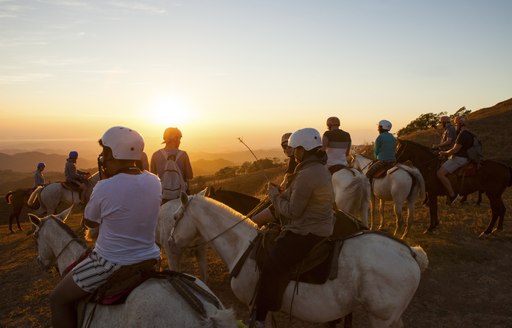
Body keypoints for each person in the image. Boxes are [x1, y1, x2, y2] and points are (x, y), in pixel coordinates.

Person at [50, 126, 161, 328]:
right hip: (150, 256)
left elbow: (91, 222)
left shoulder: (104, 186)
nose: (102, 157)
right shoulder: (155, 181)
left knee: (57, 298)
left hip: (111, 261)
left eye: (104, 152)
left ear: (113, 153)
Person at [250, 128, 335, 328]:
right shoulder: (318, 169)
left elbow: (292, 212)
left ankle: (260, 319)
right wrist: (283, 193)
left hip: (307, 231)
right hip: (321, 224)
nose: (294, 154)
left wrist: (274, 196)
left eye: (296, 150)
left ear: (303, 150)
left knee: (271, 264)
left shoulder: (306, 174)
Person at [251, 132, 296, 227]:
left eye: (290, 144)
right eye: (284, 146)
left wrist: (274, 191)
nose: (287, 148)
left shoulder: (294, 162)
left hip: (288, 204)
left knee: (254, 222)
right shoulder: (296, 160)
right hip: (291, 201)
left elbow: (287, 187)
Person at [150, 127, 193, 202]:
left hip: (163, 196)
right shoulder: (183, 155)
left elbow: (152, 178)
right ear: (175, 139)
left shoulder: (156, 155)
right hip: (181, 197)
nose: (180, 142)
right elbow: (190, 176)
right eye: (179, 139)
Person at [437, 116, 473, 204]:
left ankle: (452, 195)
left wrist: (444, 153)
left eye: (456, 124)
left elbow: (454, 150)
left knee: (440, 173)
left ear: (460, 124)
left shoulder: (462, 135)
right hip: (465, 158)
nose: (455, 126)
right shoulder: (469, 133)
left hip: (459, 158)